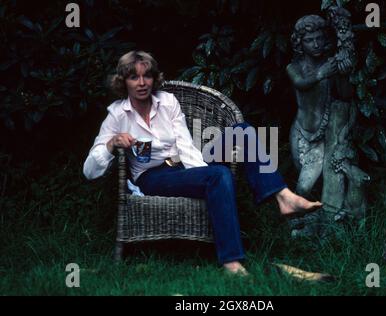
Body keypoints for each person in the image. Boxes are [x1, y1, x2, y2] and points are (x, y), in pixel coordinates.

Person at [83, 50, 322, 276]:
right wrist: (112, 143)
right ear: (123, 81)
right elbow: (90, 171)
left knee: (243, 132)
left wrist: (202, 174)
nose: (142, 82)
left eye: (147, 75)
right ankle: (231, 262)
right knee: (218, 175)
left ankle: (282, 196)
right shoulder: (117, 114)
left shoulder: (167, 102)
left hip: (183, 164)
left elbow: (185, 144)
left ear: (154, 78)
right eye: (134, 77)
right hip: (152, 177)